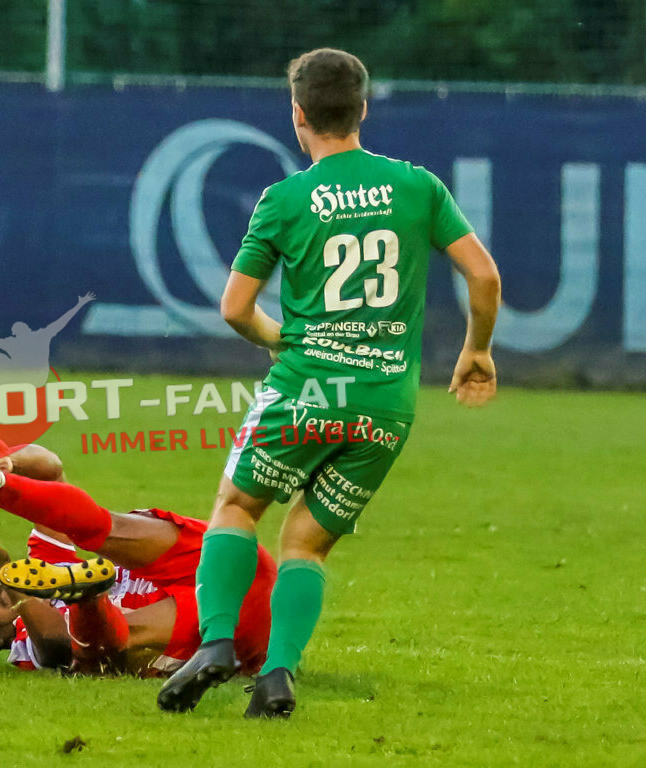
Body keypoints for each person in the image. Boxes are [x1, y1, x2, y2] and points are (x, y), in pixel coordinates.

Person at [156, 48, 502, 718]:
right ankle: (279, 672)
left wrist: (276, 336)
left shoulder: (284, 200)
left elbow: (234, 308)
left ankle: (220, 644)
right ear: (363, 110)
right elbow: (482, 277)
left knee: (236, 507)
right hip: (383, 406)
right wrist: (476, 350)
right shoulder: (417, 186)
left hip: (307, 390)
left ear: (298, 115)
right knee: (306, 543)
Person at [0, 429, 277, 677]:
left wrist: (10, 464)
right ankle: (88, 596)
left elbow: (50, 470)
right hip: (229, 628)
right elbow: (54, 645)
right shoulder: (24, 646)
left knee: (101, 529)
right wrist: (1, 565)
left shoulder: (35, 565)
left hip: (227, 559)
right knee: (108, 645)